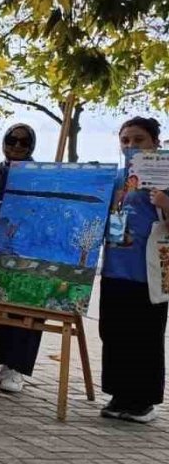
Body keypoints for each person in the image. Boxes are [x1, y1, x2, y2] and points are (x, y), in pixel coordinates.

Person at [99, 117, 169, 423]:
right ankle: (119, 394)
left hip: (148, 273)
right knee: (113, 332)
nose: (131, 146)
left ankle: (143, 401)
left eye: (139, 140)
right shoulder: (117, 178)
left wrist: (165, 202)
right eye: (125, 140)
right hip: (115, 269)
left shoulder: (164, 176)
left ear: (155, 143)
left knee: (145, 336)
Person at [0, 123, 43, 394]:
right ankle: (4, 362)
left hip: (31, 251)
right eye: (12, 140)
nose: (17, 146)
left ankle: (18, 368)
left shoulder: (42, 174)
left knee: (27, 310)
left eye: (24, 142)